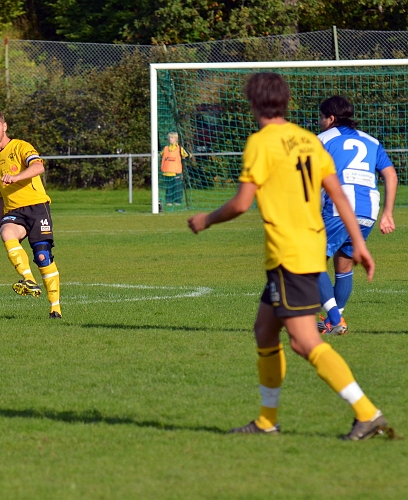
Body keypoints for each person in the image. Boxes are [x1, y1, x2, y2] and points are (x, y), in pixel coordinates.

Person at [188, 73, 389, 440]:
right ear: (284, 101)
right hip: (307, 247)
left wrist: (206, 219)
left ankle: (367, 412)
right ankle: (266, 421)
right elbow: (339, 195)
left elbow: (241, 203)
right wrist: (359, 243)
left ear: (253, 103)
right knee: (265, 331)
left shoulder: (261, 143)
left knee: (303, 341)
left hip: (289, 252)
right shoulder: (308, 140)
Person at [315, 95, 398, 335]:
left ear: (330, 118)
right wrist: (388, 214)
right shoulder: (371, 141)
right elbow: (390, 175)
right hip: (368, 210)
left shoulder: (321, 140)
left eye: (321, 118)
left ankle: (335, 320)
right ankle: (333, 322)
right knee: (344, 264)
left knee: (312, 260)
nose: (319, 122)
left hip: (339, 208)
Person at [0, 110, 62, 319]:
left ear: (4, 126)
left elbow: (38, 167)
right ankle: (29, 279)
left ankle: (55, 307)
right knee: (6, 233)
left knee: (43, 256)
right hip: (14, 212)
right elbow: (1, 196)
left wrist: (17, 177)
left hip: (37, 206)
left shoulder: (20, 146)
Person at [160, 131, 191, 207]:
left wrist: (186, 156)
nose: (170, 139)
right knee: (169, 188)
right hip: (167, 171)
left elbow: (187, 155)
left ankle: (178, 201)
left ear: (176, 139)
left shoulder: (179, 148)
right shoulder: (166, 148)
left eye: (172, 137)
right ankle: (169, 201)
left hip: (176, 172)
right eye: (169, 137)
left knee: (177, 187)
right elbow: (161, 155)